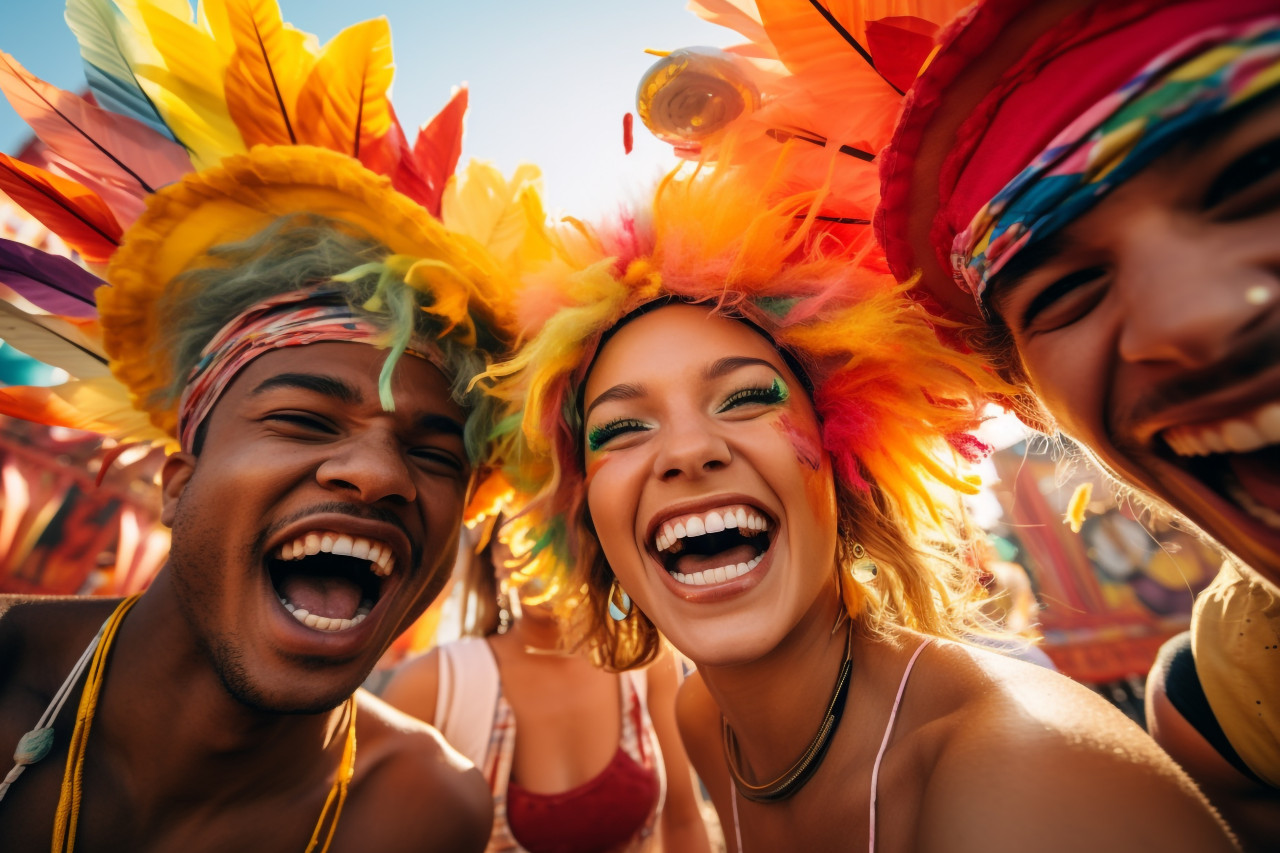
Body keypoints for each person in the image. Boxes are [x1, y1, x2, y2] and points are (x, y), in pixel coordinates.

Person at [480, 144, 1237, 850]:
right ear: (589, 519)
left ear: (845, 460)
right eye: (623, 427)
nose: (686, 451)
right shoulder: (704, 721)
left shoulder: (1021, 776)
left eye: (744, 396)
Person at [0, 1, 527, 848]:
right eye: (306, 420)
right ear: (178, 482)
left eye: (435, 451)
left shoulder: (424, 809)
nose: (382, 475)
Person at [869, 1, 1280, 845]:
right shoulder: (1226, 717)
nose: (1188, 323)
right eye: (1063, 292)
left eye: (1259, 178)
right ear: (1032, 400)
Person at [382, 509, 714, 852]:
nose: (542, 549)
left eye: (558, 528)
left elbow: (684, 822)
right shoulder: (433, 685)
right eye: (524, 531)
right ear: (495, 555)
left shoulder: (642, 658)